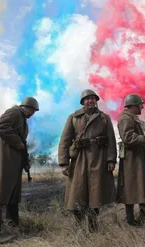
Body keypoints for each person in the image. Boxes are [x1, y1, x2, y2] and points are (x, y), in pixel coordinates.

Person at [0, 97, 39, 244]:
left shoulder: (22, 119)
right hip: (5, 162)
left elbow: (22, 144)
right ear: (27, 107)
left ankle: (12, 225)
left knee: (12, 194)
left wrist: (25, 162)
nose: (33, 114)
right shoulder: (15, 112)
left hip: (13, 163)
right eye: (33, 111)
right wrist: (16, 142)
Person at [58, 89, 117, 232]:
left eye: (93, 98)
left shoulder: (104, 118)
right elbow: (64, 141)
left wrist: (111, 160)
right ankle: (78, 225)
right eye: (87, 99)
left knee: (96, 195)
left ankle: (93, 225)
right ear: (83, 102)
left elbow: (111, 141)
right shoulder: (73, 117)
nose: (91, 101)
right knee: (77, 193)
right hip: (79, 159)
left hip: (99, 158)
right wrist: (64, 163)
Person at [116, 94, 145, 226]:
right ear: (132, 105)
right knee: (130, 188)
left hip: (136, 158)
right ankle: (131, 220)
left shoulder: (131, 118)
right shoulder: (126, 119)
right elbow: (128, 137)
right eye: (140, 105)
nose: (142, 107)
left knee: (141, 185)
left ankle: (143, 216)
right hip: (131, 160)